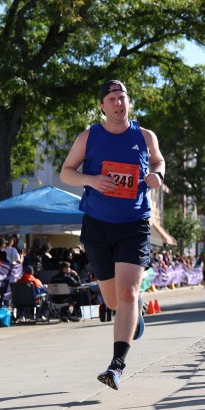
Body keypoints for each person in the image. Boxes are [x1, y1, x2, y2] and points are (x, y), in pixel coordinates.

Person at [60, 79, 166, 391]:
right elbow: (66, 172)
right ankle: (133, 312)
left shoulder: (144, 136)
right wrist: (91, 180)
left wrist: (158, 175)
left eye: (123, 97)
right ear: (103, 106)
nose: (119, 103)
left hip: (134, 223)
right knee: (112, 300)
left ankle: (116, 365)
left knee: (127, 293)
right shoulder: (89, 136)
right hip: (97, 224)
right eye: (112, 99)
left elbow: (158, 160)